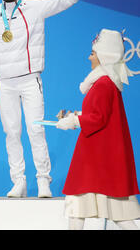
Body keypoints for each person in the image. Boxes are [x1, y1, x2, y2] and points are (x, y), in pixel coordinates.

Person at [0, 0, 101, 198]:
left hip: (29, 80)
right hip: (4, 83)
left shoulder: (34, 7)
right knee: (12, 133)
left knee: (35, 129)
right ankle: (19, 182)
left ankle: (43, 181)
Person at [56, 29, 140, 230]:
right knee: (114, 212)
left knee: (77, 205)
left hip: (94, 158)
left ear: (104, 56)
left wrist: (74, 121)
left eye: (93, 53)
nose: (89, 57)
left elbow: (98, 118)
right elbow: (99, 114)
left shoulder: (103, 84)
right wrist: (75, 115)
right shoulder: (108, 83)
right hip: (100, 158)